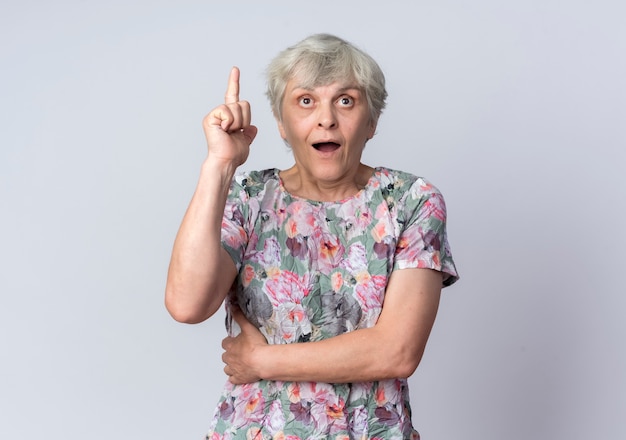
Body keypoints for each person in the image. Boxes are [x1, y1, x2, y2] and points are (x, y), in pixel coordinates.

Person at [165, 33, 459, 440]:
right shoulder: (248, 197)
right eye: (306, 101)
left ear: (371, 122)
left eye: (345, 100)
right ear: (281, 125)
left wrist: (262, 361)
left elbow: (398, 351)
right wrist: (219, 165)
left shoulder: (411, 202)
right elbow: (186, 304)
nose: (326, 119)